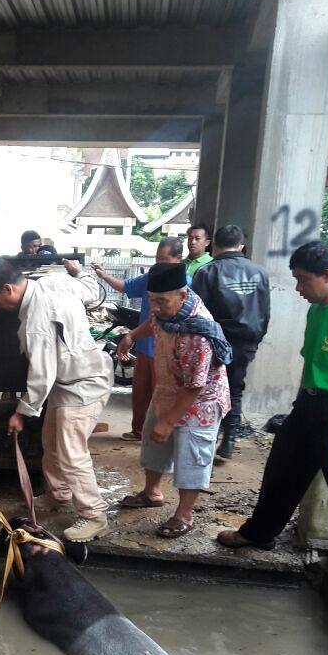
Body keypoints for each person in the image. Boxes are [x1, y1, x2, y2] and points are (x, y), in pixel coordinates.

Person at [218, 242, 328, 552]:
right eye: (295, 279)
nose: (298, 288)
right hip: (308, 406)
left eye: (303, 279)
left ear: (326, 275)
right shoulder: (317, 311)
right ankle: (259, 533)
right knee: (282, 471)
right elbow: (312, 363)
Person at [0, 258, 114, 542]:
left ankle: (93, 514)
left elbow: (42, 375)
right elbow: (92, 290)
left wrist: (21, 412)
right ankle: (59, 495)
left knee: (70, 452)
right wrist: (81, 271)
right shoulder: (53, 281)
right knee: (51, 440)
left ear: (8, 289)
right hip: (69, 382)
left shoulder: (35, 320)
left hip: (82, 385)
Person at [117, 262, 231, 539]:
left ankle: (184, 515)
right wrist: (132, 335)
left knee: (192, 457)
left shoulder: (196, 331)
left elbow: (194, 386)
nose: (154, 307)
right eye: (151, 300)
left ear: (182, 294)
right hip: (169, 389)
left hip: (200, 402)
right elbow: (153, 322)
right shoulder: (168, 310)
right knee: (153, 442)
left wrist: (168, 422)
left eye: (161, 301)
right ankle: (151, 492)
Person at [93, 236, 185, 442]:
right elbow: (151, 313)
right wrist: (132, 336)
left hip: (165, 350)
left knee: (160, 394)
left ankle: (158, 433)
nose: (154, 305)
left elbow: (163, 319)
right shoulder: (152, 276)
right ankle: (139, 431)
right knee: (141, 390)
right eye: (157, 258)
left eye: (163, 259)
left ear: (177, 258)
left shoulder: (182, 285)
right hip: (145, 346)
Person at [191, 223, 270, 459]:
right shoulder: (260, 272)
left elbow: (197, 312)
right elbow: (265, 311)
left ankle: (208, 438)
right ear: (241, 246)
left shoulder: (207, 272)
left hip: (216, 341)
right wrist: (255, 341)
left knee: (209, 390)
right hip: (246, 342)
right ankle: (229, 441)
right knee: (235, 389)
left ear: (213, 245)